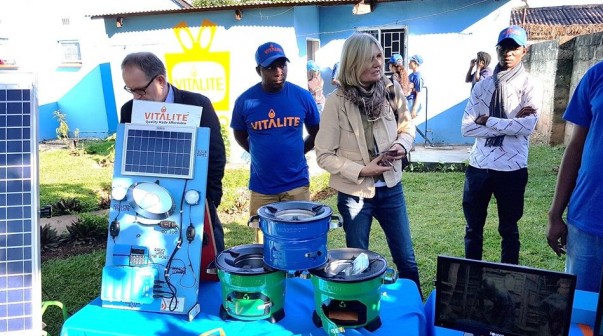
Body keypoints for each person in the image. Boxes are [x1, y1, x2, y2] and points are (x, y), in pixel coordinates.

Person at [315, 32, 421, 292]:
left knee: (406, 259)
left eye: (379, 56)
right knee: (357, 261)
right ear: (353, 62)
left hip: (391, 189)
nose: (377, 63)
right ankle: (359, 308)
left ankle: (416, 312)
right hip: (354, 196)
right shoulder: (335, 102)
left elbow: (407, 127)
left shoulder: (391, 90)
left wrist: (400, 145)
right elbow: (323, 155)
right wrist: (363, 170)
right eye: (369, 58)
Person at [119, 52, 227, 253]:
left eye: (140, 90)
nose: (136, 97)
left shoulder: (198, 104)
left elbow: (216, 154)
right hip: (149, 199)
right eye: (130, 90)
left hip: (195, 197)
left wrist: (210, 199)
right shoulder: (128, 110)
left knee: (209, 259)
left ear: (160, 80)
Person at [461, 25, 542, 265]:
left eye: (514, 48)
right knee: (473, 229)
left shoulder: (530, 85)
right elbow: (467, 128)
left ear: (523, 51)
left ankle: (509, 276)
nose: (508, 52)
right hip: (479, 167)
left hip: (512, 169)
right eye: (503, 47)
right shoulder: (482, 86)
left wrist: (488, 120)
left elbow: (528, 127)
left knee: (509, 229)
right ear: (497, 50)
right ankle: (471, 276)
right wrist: (511, 122)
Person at [231, 42, 320, 241]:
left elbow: (316, 133)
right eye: (271, 67)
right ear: (258, 70)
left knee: (299, 238)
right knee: (265, 243)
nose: (278, 71)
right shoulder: (245, 101)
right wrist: (257, 152)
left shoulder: (302, 97)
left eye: (282, 65)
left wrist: (298, 152)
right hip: (262, 187)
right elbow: (239, 135)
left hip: (296, 184)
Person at [546, 58, 603, 292]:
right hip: (587, 220)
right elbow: (575, 148)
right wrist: (554, 215)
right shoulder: (598, 75)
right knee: (579, 312)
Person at [407, 54, 424, 119]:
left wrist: (414, 109)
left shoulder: (418, 77)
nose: (409, 63)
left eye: (411, 61)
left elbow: (418, 94)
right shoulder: (412, 75)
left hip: (412, 101)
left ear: (415, 63)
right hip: (408, 100)